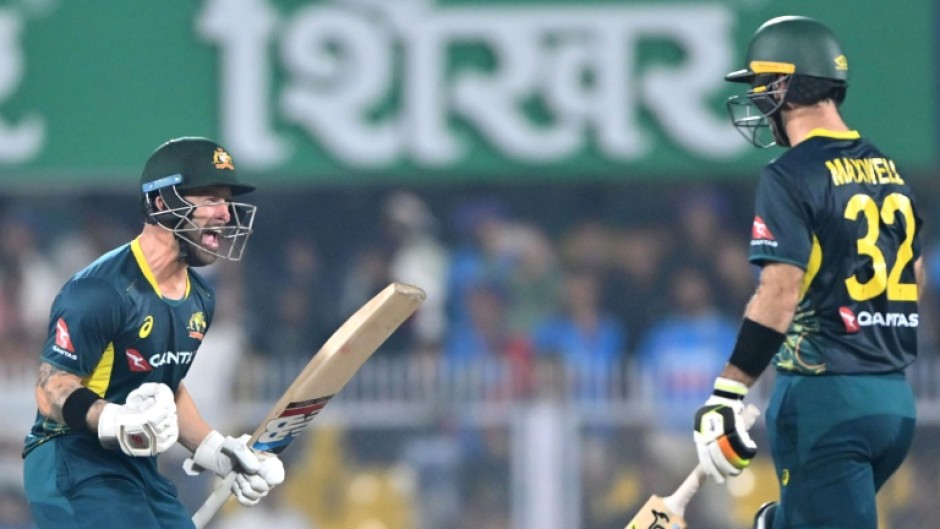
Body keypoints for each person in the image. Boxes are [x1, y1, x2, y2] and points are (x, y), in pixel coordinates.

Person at [691, 16, 924, 529]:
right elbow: (916, 272)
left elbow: (779, 291)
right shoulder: (888, 170)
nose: (755, 100)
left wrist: (728, 393)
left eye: (759, 86)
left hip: (825, 401)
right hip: (894, 404)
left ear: (783, 86)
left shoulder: (789, 175)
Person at [21, 137, 286, 529]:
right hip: (72, 463)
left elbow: (169, 387)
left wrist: (217, 451)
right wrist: (113, 419)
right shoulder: (101, 290)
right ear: (162, 202)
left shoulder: (200, 299)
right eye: (210, 198)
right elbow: (51, 387)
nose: (225, 214)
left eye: (227, 200)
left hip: (138, 470)